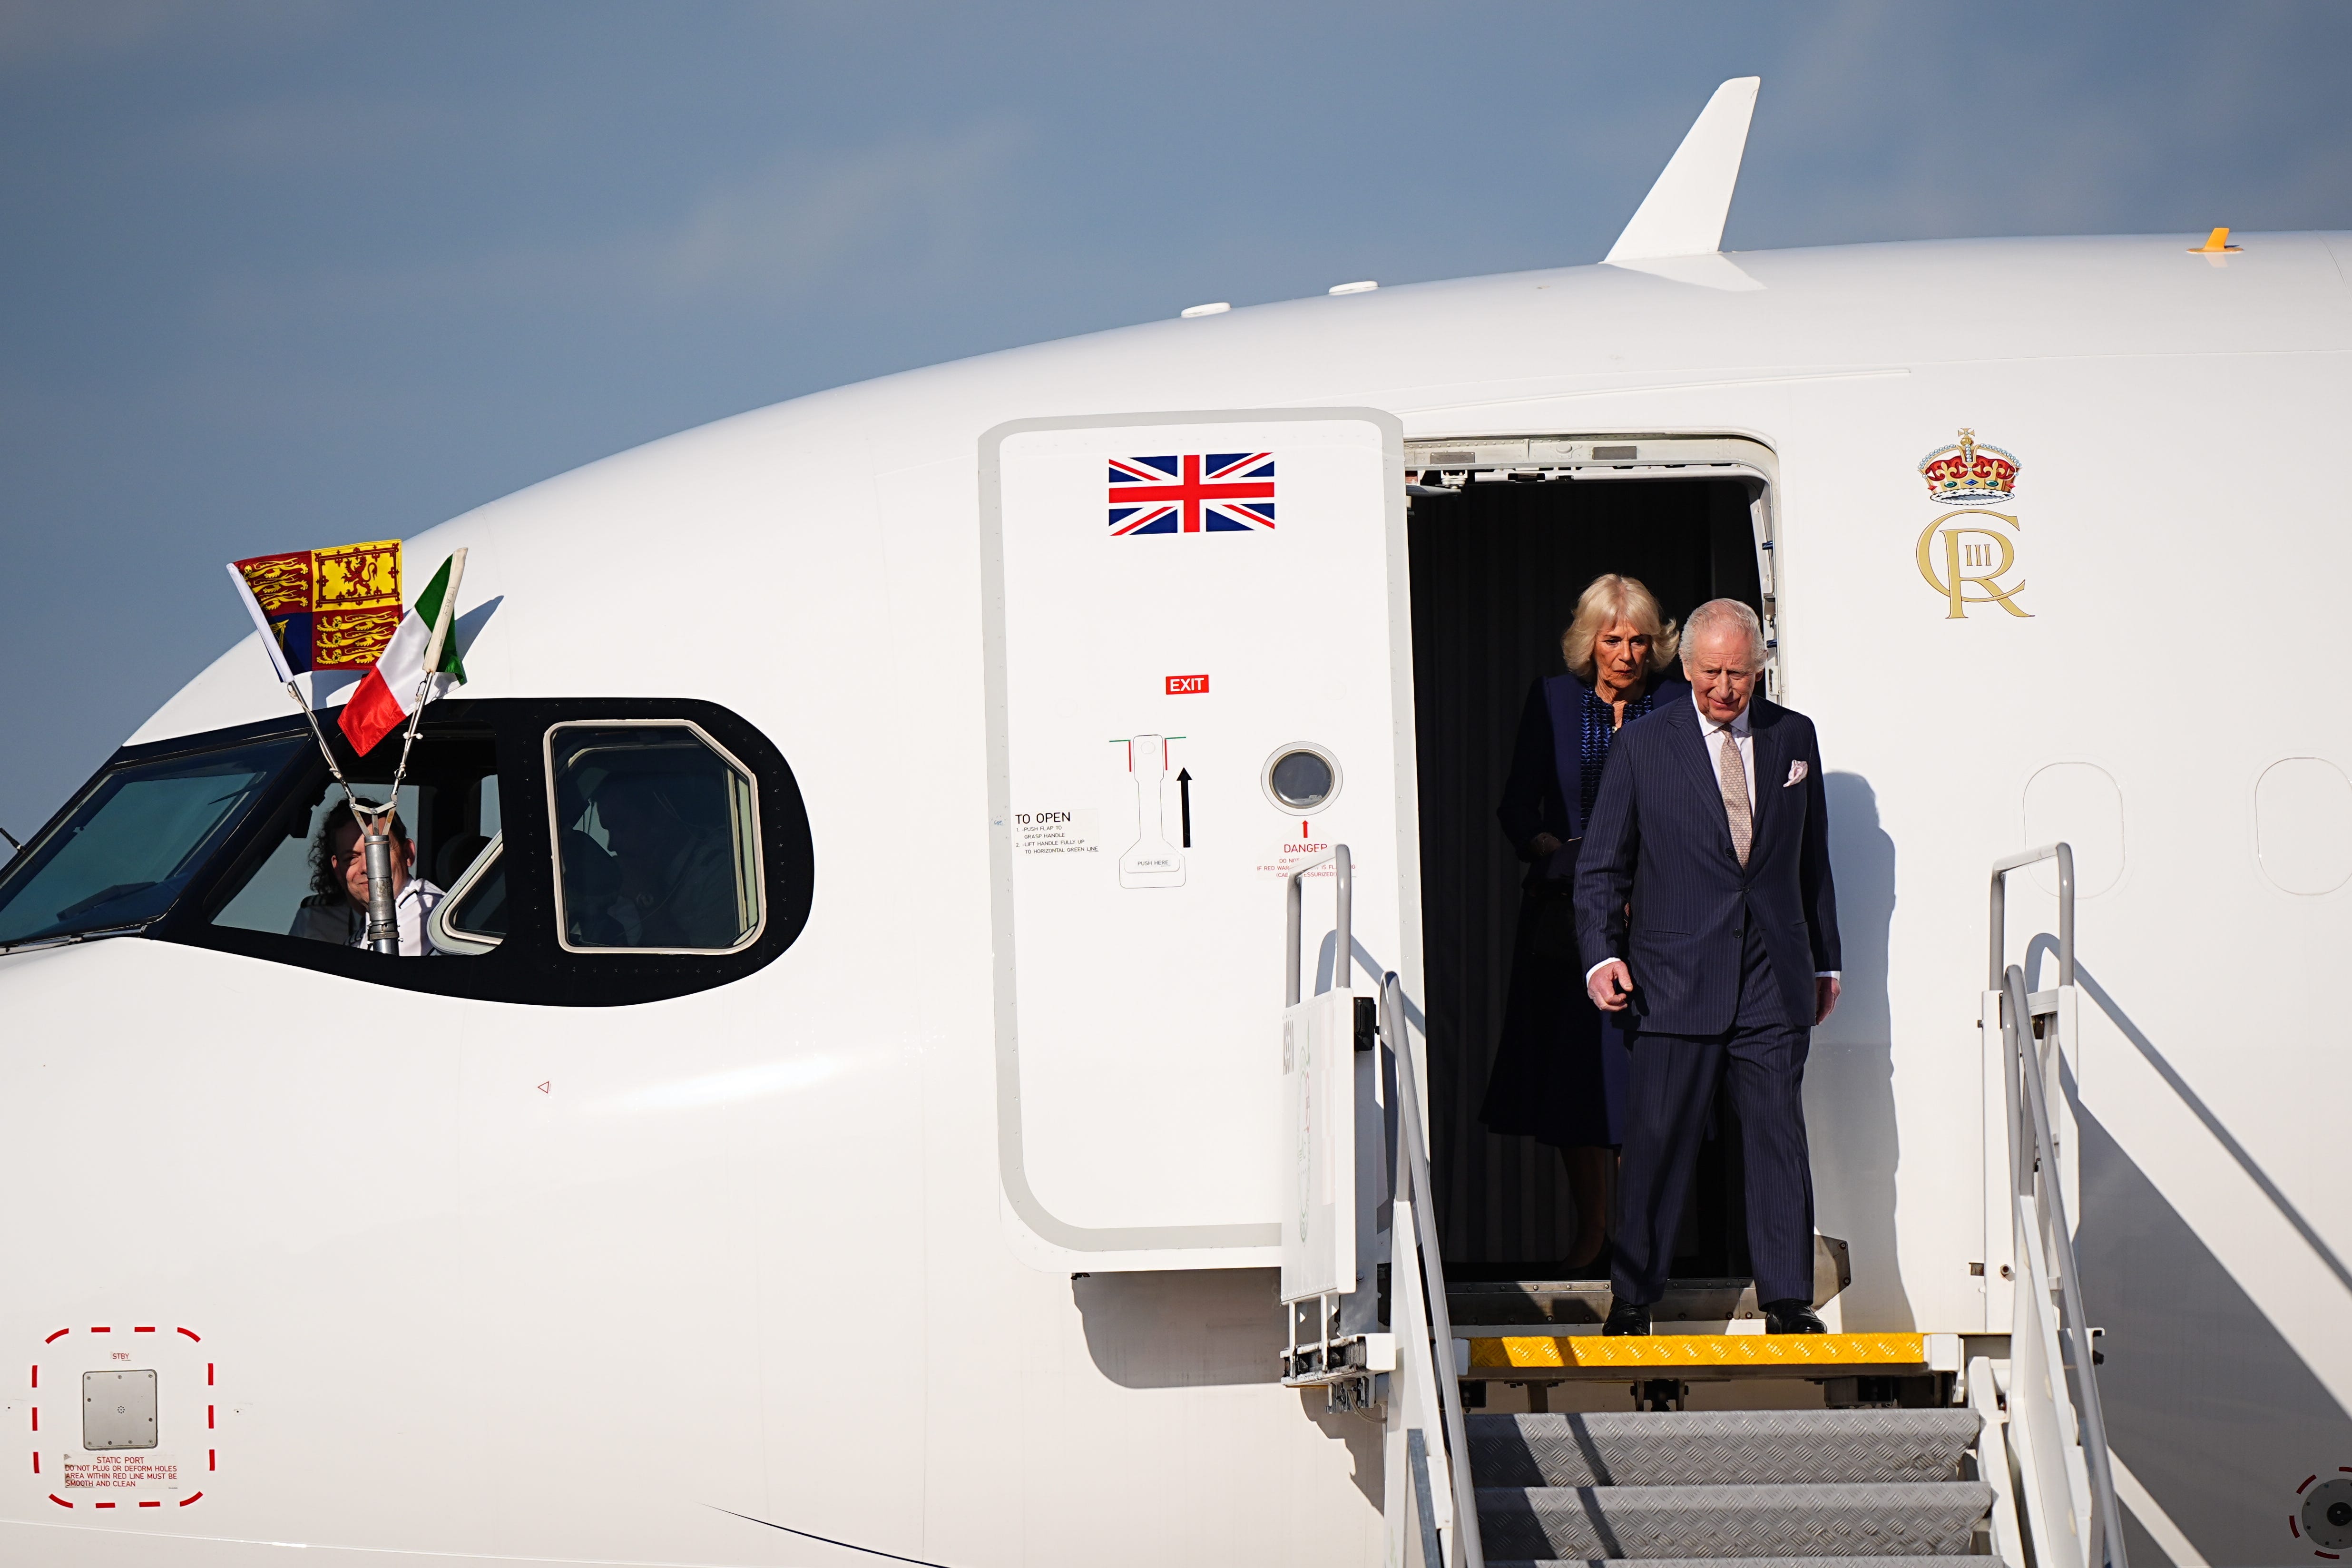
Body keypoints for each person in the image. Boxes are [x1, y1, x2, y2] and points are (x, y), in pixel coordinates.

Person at [1573, 598, 1840, 1335]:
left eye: (1741, 674)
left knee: (1778, 1140)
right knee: (1658, 1144)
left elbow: (1810, 861)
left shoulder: (1795, 737)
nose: (1726, 689)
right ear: (1686, 667)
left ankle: (1788, 1300)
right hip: (1671, 980)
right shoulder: (1643, 745)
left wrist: (1827, 963)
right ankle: (1633, 1300)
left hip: (1772, 977)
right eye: (1713, 673)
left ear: (1760, 668)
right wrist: (1602, 956)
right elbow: (1602, 868)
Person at [1478, 574, 1685, 1271]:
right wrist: (1561, 857)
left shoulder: (1677, 704)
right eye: (1612, 639)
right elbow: (1516, 808)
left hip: (1658, 921)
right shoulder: (1554, 701)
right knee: (1575, 1083)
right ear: (1588, 643)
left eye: (1639, 640)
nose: (1626, 653)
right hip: (1568, 923)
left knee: (1645, 1081)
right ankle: (1592, 1232)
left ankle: (1640, 1236)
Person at [289, 802, 444, 956]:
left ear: (407, 854)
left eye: (379, 851)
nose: (367, 867)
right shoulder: (318, 919)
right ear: (338, 870)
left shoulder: (427, 913)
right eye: (352, 858)